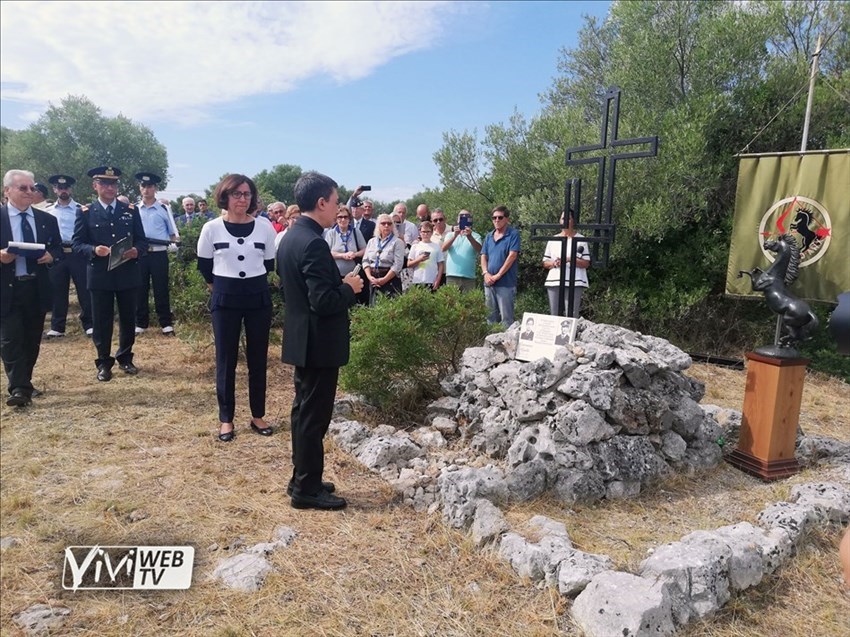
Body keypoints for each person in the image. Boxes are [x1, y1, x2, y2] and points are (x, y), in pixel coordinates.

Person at [277, 171, 363, 510]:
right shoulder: (312, 242)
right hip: (318, 342)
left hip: (303, 338)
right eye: (337, 200)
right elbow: (322, 301)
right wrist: (349, 289)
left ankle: (303, 477)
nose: (340, 206)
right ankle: (306, 489)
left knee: (303, 413)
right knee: (313, 417)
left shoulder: (291, 237)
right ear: (322, 203)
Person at [196, 175, 276, 442]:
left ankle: (258, 415)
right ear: (225, 197)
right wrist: (220, 287)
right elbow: (205, 267)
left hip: (257, 298)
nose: (243, 199)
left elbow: (269, 264)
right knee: (226, 360)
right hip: (225, 299)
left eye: (247, 194)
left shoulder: (265, 227)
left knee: (258, 358)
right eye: (237, 194)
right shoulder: (211, 228)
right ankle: (226, 419)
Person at [73, 166, 148, 381]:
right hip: (100, 274)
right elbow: (77, 244)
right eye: (104, 183)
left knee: (127, 318)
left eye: (113, 183)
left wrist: (137, 251)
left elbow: (142, 240)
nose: (109, 187)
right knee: (102, 320)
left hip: (127, 273)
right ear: (94, 186)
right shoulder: (86, 211)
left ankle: (125, 357)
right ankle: (104, 362)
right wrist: (93, 250)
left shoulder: (130, 211)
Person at [0, 170, 62, 406]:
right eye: (23, 188)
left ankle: (24, 382)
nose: (30, 192)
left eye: (32, 188)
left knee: (31, 339)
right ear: (7, 191)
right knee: (10, 339)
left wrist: (50, 256)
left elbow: (58, 250)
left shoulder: (47, 220)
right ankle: (19, 389)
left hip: (36, 288)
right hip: (8, 288)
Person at [45, 174, 93, 338]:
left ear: (70, 189)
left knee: (84, 289)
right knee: (58, 290)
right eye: (59, 187)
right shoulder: (48, 212)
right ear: (54, 189)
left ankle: (89, 324)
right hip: (58, 253)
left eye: (65, 187)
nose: (63, 190)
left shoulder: (81, 209)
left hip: (77, 253)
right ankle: (58, 327)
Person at [135, 172, 179, 336]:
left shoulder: (163, 208)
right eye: (143, 186)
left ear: (155, 188)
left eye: (150, 186)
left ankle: (165, 323)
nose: (146, 189)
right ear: (140, 188)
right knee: (140, 288)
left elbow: (173, 232)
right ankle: (141, 323)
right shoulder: (134, 209)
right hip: (140, 254)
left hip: (159, 253)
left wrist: (174, 243)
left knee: (161, 289)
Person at [543, 213, 590, 317]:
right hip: (554, 280)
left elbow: (586, 263)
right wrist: (555, 263)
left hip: (575, 280)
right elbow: (545, 262)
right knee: (554, 314)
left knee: (572, 314)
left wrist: (569, 259)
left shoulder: (581, 239)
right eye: (562, 218)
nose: (564, 221)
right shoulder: (553, 239)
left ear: (573, 220)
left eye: (568, 218)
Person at [480, 205, 520, 327]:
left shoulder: (513, 234)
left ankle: (507, 345)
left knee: (506, 320)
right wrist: (485, 273)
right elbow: (483, 256)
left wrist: (498, 275)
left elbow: (512, 256)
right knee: (490, 318)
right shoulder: (489, 236)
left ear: (507, 219)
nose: (496, 220)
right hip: (489, 283)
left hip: (506, 284)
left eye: (500, 217)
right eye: (494, 218)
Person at [363, 213, 405, 304]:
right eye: (383, 223)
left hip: (390, 279)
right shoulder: (372, 242)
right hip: (373, 279)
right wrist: (369, 277)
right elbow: (365, 260)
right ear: (378, 226)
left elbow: (398, 265)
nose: (386, 226)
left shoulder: (397, 242)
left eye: (389, 223)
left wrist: (384, 279)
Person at [441, 209, 482, 292]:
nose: (464, 218)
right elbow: (443, 248)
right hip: (452, 276)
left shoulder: (476, 236)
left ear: (470, 220)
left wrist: (470, 237)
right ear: (458, 219)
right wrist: (455, 236)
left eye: (466, 216)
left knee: (469, 304)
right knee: (451, 303)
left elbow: (480, 250)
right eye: (461, 216)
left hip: (469, 277)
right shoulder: (450, 235)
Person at [326, 205, 366, 278]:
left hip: (354, 274)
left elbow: (364, 250)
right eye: (340, 217)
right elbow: (326, 252)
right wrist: (342, 255)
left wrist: (355, 254)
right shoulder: (331, 233)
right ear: (336, 219)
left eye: (345, 217)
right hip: (335, 274)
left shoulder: (356, 232)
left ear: (349, 218)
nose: (343, 220)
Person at [407, 221, 444, 291]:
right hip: (417, 280)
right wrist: (419, 259)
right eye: (423, 232)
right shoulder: (415, 246)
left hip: (431, 280)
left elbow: (441, 265)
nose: (425, 234)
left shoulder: (436, 246)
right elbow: (409, 264)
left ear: (432, 232)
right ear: (420, 232)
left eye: (428, 232)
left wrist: (438, 280)